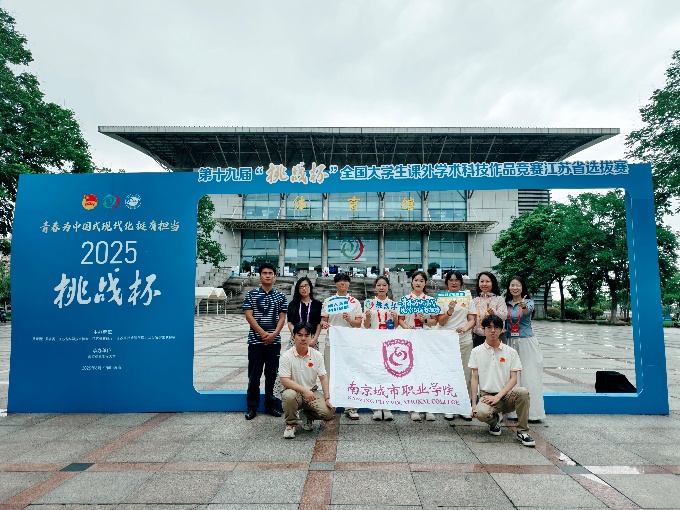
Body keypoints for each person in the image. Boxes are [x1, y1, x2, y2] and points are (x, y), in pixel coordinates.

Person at [469, 314, 535, 447]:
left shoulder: (511, 352)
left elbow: (514, 379)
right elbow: (474, 378)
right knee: (480, 413)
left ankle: (523, 432)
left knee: (523, 392)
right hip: (487, 395)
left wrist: (498, 396)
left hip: (506, 395)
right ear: (483, 329)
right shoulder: (476, 352)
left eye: (496, 327)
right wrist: (474, 404)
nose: (493, 330)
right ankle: (494, 422)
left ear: (501, 330)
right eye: (489, 327)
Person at [242, 263, 288, 420]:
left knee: (272, 376)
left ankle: (270, 406)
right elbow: (248, 315)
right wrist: (262, 333)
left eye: (270, 273)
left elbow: (282, 317)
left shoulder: (281, 296)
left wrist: (274, 334)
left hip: (274, 343)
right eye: (264, 273)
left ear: (275, 276)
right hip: (255, 342)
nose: (267, 275)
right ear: (259, 276)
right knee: (254, 376)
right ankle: (252, 407)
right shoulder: (251, 295)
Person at [279, 321, 335, 438]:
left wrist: (327, 398)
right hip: (294, 392)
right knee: (288, 395)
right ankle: (291, 424)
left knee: (328, 413)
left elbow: (323, 377)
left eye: (307, 335)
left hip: (312, 392)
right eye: (300, 335)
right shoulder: (286, 356)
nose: (303, 339)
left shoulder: (317, 355)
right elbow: (285, 380)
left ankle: (306, 414)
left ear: (311, 337)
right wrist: (304, 391)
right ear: (293, 336)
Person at [398, 270, 439, 422]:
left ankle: (428, 407)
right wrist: (406, 327)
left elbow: (435, 321)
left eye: (421, 281)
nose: (418, 283)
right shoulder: (404, 300)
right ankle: (413, 407)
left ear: (425, 283)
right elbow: (401, 319)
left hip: (425, 340)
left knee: (426, 372)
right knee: (411, 373)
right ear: (412, 282)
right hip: (409, 339)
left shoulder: (430, 301)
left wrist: (425, 321)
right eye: (416, 280)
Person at [321, 272, 363, 420]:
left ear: (349, 283)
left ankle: (350, 406)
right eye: (339, 281)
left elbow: (358, 324)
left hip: (348, 344)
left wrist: (350, 319)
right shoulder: (329, 301)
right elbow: (323, 320)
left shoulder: (354, 302)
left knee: (349, 373)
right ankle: (330, 404)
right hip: (331, 342)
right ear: (335, 284)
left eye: (345, 281)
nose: (342, 283)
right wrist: (324, 324)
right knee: (330, 373)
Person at [504, 276, 546, 422]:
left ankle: (533, 413)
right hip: (509, 341)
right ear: (509, 287)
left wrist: (524, 307)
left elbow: (527, 313)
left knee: (530, 375)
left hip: (527, 341)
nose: (515, 288)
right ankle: (513, 412)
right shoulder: (505, 304)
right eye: (512, 285)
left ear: (522, 288)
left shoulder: (528, 302)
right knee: (512, 376)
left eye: (518, 285)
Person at [437, 270, 475, 421]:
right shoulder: (441, 298)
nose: (454, 282)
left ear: (461, 282)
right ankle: (449, 406)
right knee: (448, 373)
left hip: (464, 339)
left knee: (465, 373)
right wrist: (450, 311)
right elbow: (440, 322)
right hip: (446, 340)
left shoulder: (467, 297)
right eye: (451, 280)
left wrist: (465, 328)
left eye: (457, 280)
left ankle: (463, 406)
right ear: (446, 283)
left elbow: (472, 319)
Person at [363, 275, 399, 421]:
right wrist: (367, 317)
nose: (381, 287)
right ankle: (376, 407)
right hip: (374, 343)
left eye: (384, 285)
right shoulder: (369, 304)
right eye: (379, 285)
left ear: (388, 287)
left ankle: (387, 406)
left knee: (388, 374)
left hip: (389, 344)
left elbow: (395, 326)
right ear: (375, 287)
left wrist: (395, 317)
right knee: (375, 374)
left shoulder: (393, 305)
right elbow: (366, 326)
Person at [469, 271, 507, 348]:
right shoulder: (475, 300)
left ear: (493, 283)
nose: (484, 284)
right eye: (482, 281)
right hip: (478, 336)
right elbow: (472, 319)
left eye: (487, 281)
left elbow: (504, 316)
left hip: (496, 336)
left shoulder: (499, 299)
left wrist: (494, 313)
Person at [287, 277, 322, 348]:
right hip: (296, 338)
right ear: (298, 289)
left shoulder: (317, 304)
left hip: (312, 338)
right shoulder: (293, 304)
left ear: (310, 287)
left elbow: (319, 324)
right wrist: (296, 336)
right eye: (301, 287)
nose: (304, 289)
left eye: (306, 286)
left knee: (312, 355)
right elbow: (290, 322)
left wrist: (314, 339)